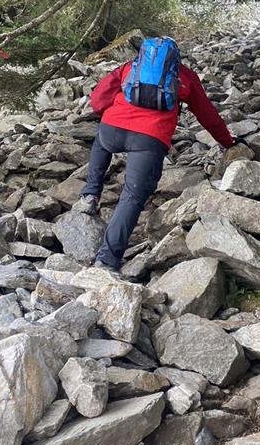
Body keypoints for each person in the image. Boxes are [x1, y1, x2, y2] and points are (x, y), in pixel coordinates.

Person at [74, 37, 237, 271]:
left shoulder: (131, 66)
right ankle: (106, 260)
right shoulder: (185, 76)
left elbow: (99, 98)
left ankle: (90, 194)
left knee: (101, 141)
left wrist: (109, 115)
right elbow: (207, 115)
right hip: (149, 139)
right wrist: (227, 141)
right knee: (131, 196)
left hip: (112, 129)